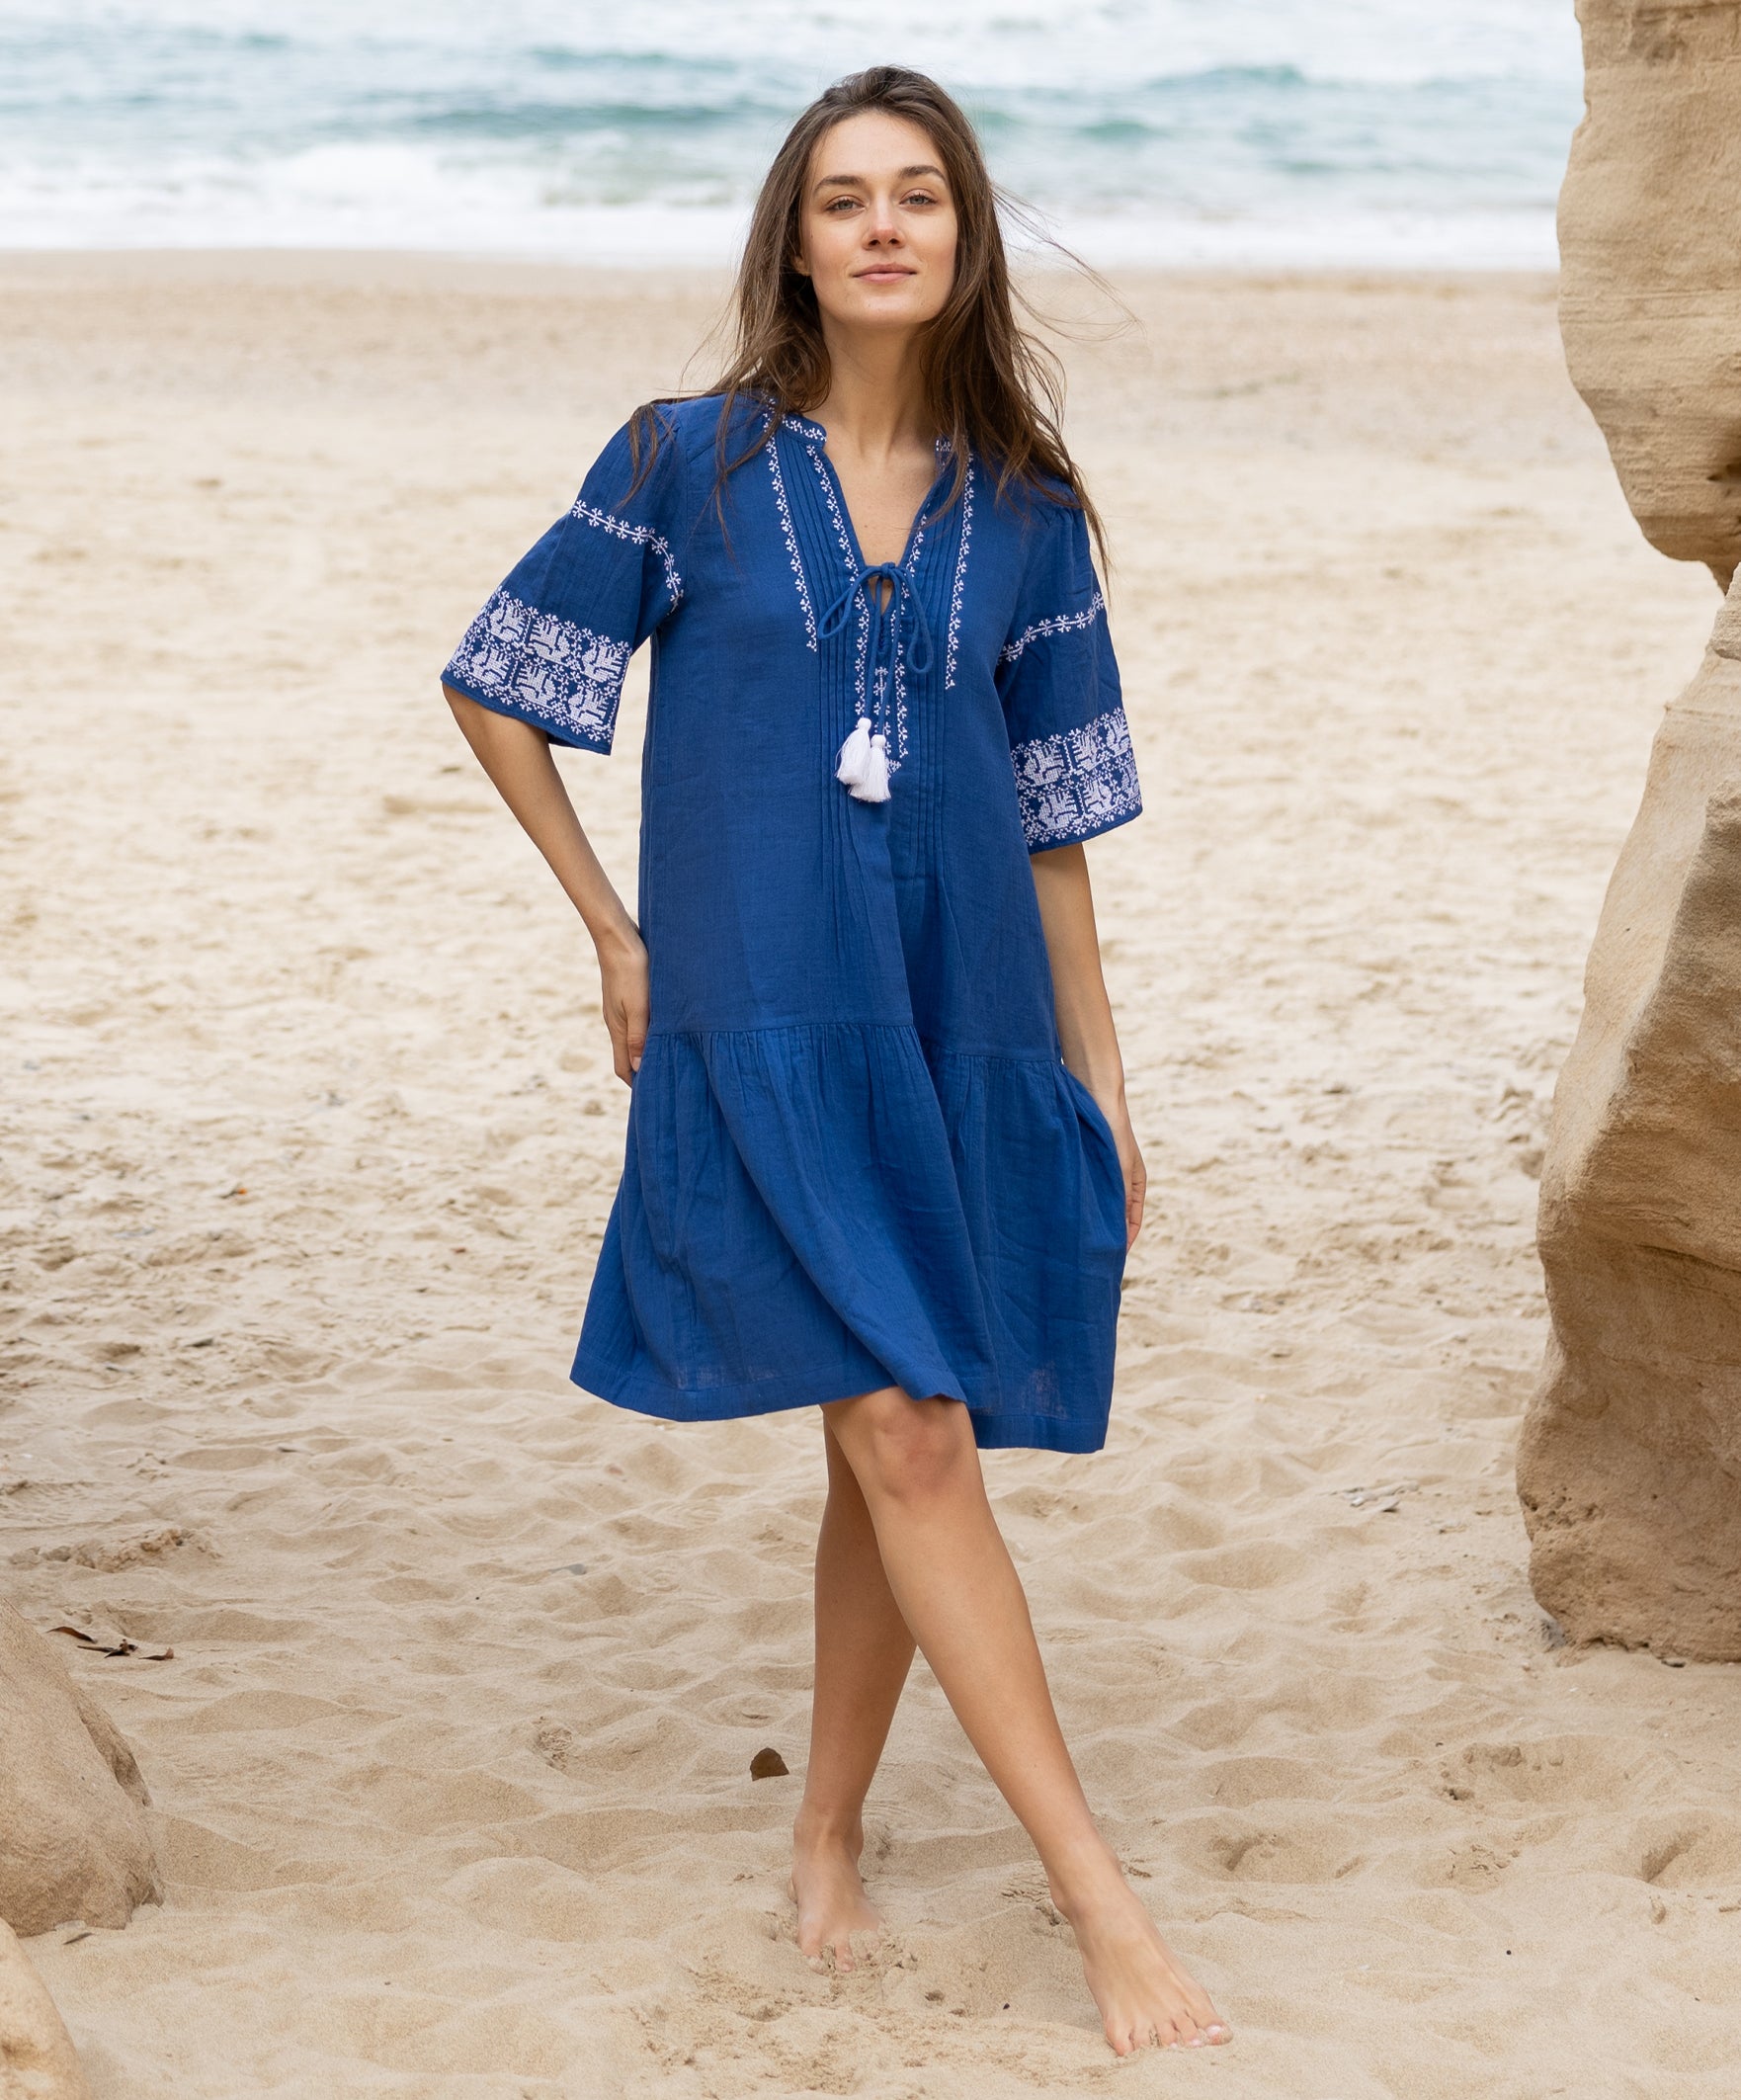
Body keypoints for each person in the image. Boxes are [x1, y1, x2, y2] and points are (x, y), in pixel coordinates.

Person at [440, 64, 1230, 2058]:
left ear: (963, 236)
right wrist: (612, 933)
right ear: (792, 245)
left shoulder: (1026, 514)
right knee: (910, 1429)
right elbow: (500, 682)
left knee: (884, 1435)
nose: (883, 226)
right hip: (767, 1011)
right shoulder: (685, 460)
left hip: (959, 1019)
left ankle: (823, 1832)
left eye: (918, 196)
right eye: (843, 198)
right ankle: (1099, 1900)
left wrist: (1100, 1076)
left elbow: (1053, 823)